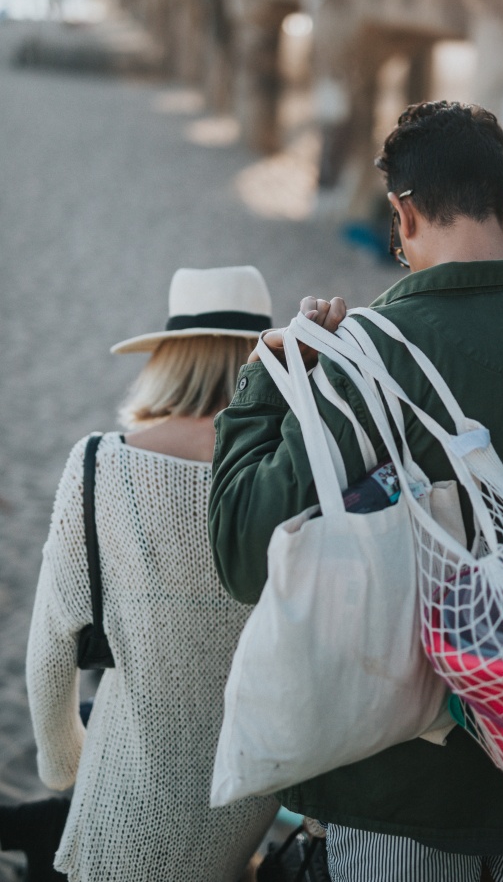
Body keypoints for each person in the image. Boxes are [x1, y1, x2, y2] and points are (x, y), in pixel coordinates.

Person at [208, 103, 503, 882]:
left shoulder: (363, 362)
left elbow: (246, 547)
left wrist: (264, 383)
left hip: (394, 784)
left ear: (402, 216)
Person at [26, 266, 279, 882]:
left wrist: (64, 766)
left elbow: (50, 656)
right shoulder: (290, 472)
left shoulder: (100, 466)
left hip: (128, 804)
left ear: (170, 357)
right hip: (248, 801)